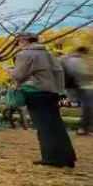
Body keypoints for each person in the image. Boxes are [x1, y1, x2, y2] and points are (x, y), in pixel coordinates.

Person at [12, 33, 76, 168]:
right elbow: (59, 72)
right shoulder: (48, 54)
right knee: (56, 124)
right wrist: (60, 90)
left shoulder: (24, 55)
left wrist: (10, 72)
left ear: (23, 41)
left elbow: (19, 75)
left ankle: (51, 157)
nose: (17, 45)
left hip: (35, 91)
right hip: (51, 92)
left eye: (17, 43)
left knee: (44, 127)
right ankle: (67, 157)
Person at [62, 47, 92, 136]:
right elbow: (81, 74)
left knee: (88, 107)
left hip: (74, 86)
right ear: (83, 52)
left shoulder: (69, 59)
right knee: (89, 107)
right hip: (80, 87)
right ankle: (84, 129)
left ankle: (84, 129)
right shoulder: (76, 60)